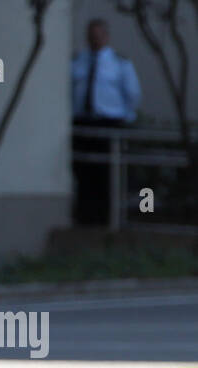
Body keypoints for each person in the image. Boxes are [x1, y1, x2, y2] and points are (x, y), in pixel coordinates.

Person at [71, 18, 141, 226]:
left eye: (99, 35)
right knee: (83, 171)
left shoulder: (119, 63)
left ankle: (105, 219)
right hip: (83, 123)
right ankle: (84, 218)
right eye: (91, 35)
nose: (94, 39)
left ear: (106, 36)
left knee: (106, 174)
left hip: (109, 123)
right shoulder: (77, 61)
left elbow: (133, 94)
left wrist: (124, 119)